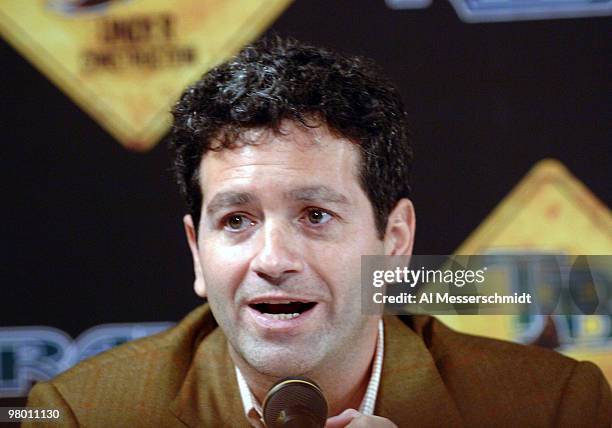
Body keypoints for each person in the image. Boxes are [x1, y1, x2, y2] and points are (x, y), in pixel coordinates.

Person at [25, 36, 610, 427]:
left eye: (316, 216)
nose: (273, 259)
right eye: (236, 221)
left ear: (396, 242)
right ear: (196, 254)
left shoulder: (554, 406)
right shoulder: (80, 414)